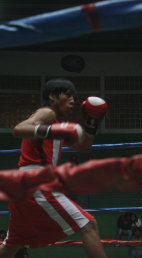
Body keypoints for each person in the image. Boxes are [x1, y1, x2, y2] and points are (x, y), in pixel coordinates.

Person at [0, 78, 108, 258]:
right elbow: (19, 129)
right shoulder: (47, 113)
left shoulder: (56, 123)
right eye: (67, 95)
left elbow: (83, 146)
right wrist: (52, 131)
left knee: (11, 246)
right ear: (52, 96)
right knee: (89, 225)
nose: (73, 101)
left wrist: (92, 124)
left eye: (74, 97)